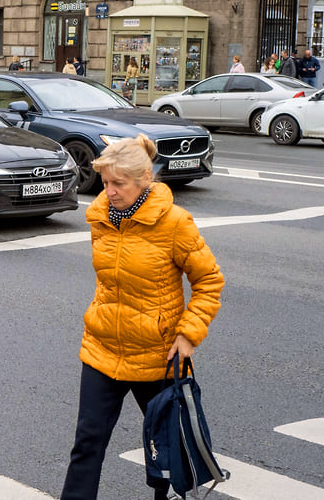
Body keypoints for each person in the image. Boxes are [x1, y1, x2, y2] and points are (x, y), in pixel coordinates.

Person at [60, 134, 224, 500]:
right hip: (102, 350)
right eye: (105, 183)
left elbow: (209, 280)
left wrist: (188, 334)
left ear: (145, 181)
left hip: (157, 355)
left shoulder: (175, 223)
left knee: (166, 449)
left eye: (118, 183)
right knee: (87, 444)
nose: (110, 191)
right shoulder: (100, 218)